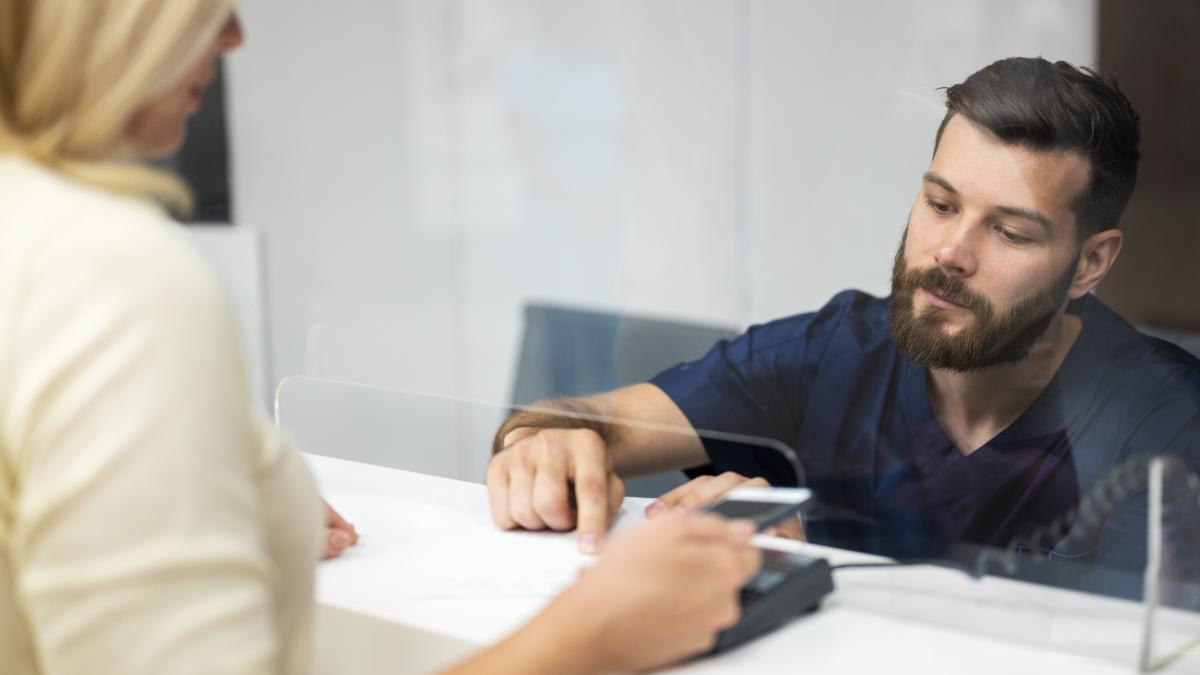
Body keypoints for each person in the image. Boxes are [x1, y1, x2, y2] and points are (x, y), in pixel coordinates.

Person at [0, 2, 760, 673]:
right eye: (205, 5)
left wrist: (227, 506)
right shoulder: (111, 276)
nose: (233, 36)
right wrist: (595, 633)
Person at [487, 57, 1200, 596]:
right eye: (941, 204)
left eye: (1011, 232)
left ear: (1089, 263)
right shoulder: (836, 350)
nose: (951, 254)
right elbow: (580, 421)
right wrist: (544, 443)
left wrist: (817, 571)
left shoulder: (1167, 425)